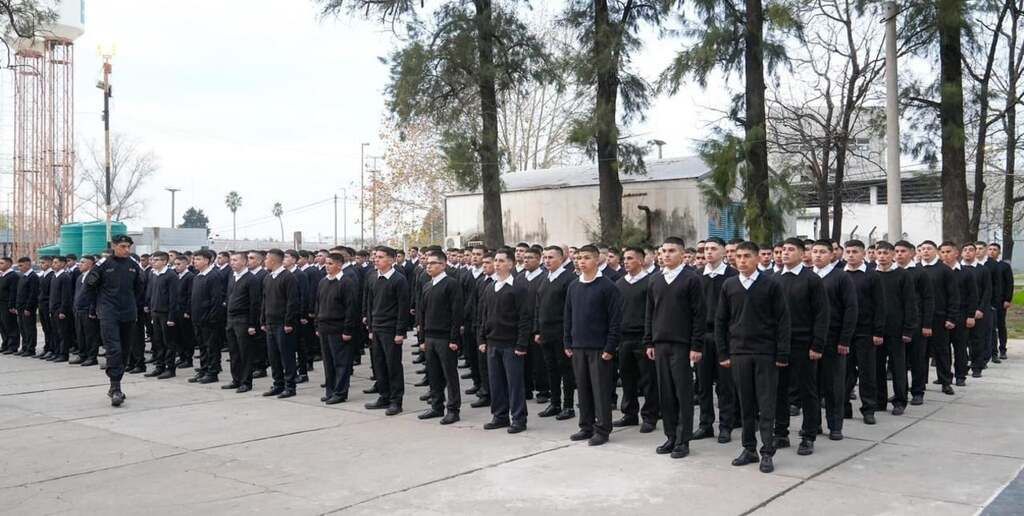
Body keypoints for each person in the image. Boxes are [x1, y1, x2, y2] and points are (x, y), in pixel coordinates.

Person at [716, 241, 790, 474]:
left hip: (766, 353)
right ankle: (749, 448)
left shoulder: (771, 285)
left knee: (766, 405)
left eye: (747, 256)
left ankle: (767, 451)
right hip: (739, 354)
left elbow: (783, 321)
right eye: (738, 256)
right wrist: (723, 352)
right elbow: (721, 321)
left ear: (758, 258)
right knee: (745, 404)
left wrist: (782, 353)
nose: (742, 260)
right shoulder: (729, 285)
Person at [645, 236, 705, 459]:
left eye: (671, 251)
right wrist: (649, 340)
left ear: (682, 254)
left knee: (683, 393)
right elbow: (649, 313)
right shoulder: (655, 280)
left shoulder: (692, 279)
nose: (666, 255)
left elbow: (699, 315)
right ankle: (670, 436)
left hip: (683, 345)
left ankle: (683, 439)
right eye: (663, 251)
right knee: (666, 392)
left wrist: (696, 345)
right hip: (660, 344)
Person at [563, 244, 623, 446]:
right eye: (579, 258)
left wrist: (610, 347)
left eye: (587, 258)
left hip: (599, 348)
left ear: (597, 260)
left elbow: (615, 320)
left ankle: (603, 428)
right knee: (583, 388)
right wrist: (568, 341)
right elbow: (568, 316)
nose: (582, 261)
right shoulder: (574, 286)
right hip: (578, 346)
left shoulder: (607, 286)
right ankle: (585, 426)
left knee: (600, 390)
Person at [773, 238, 827, 455]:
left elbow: (822, 315)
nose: (785, 253)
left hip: (804, 344)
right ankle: (780, 432)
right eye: (783, 249)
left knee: (808, 391)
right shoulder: (774, 279)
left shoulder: (811, 280)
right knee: (779, 390)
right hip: (779, 345)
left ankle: (808, 435)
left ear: (803, 253)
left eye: (791, 249)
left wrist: (817, 344)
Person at [85, 234, 145, 407]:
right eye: (123, 246)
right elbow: (89, 287)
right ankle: (115, 387)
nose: (127, 250)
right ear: (114, 246)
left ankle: (116, 383)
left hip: (128, 313)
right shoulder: (103, 265)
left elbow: (139, 288)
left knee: (125, 350)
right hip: (109, 313)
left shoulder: (134, 265)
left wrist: (132, 304)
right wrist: (96, 307)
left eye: (129, 247)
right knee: (114, 349)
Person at [478, 247, 532, 433]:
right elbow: (484, 316)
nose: (497, 264)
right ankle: (500, 416)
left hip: (511, 344)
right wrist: (482, 339)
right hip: (492, 343)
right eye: (496, 261)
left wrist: (522, 344)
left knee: (514, 383)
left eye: (501, 261)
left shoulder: (518, 288)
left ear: (511, 263)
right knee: (496, 382)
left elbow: (525, 318)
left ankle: (518, 418)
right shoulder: (489, 287)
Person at [810, 239, 857, 441]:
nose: (818, 255)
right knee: (811, 386)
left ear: (832, 255)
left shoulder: (840, 277)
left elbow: (851, 309)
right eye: (814, 251)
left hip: (834, 339)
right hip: (810, 340)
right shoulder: (806, 276)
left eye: (822, 252)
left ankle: (835, 425)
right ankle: (813, 424)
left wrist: (845, 339)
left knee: (833, 385)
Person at [695, 237, 738, 443]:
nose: (708, 252)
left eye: (714, 249)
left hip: (726, 337)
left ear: (724, 252)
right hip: (702, 337)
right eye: (706, 249)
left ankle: (726, 425)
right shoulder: (696, 277)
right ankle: (705, 424)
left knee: (725, 385)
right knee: (703, 385)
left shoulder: (732, 276)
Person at [415, 250, 464, 424]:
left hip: (445, 338)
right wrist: (421, 339)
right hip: (430, 336)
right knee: (434, 373)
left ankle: (453, 409)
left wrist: (454, 339)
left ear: (443, 265)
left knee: (449, 374)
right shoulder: (427, 285)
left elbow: (456, 313)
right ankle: (437, 406)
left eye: (433, 263)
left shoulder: (451, 284)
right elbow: (422, 313)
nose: (429, 266)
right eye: (427, 263)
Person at [613, 246, 658, 433]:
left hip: (642, 337)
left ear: (640, 261)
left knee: (648, 380)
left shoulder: (650, 282)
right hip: (624, 338)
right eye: (624, 258)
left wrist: (650, 339)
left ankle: (650, 416)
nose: (626, 261)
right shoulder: (620, 283)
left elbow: (653, 313)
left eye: (630, 258)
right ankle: (629, 413)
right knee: (627, 378)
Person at [363, 246, 411, 416]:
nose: (376, 259)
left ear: (391, 260)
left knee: (393, 365)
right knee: (379, 364)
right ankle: (384, 396)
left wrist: (400, 331)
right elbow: (369, 303)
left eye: (380, 257)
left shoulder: (399, 280)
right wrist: (370, 326)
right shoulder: (372, 277)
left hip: (391, 329)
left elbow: (403, 308)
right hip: (376, 327)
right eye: (375, 256)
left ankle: (396, 401)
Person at [841, 240, 885, 425]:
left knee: (867, 372)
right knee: (845, 372)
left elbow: (880, 305)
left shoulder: (872, 276)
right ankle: (844, 407)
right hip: (844, 333)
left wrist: (878, 331)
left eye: (855, 252)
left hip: (865, 332)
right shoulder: (840, 275)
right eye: (848, 251)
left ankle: (868, 409)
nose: (850, 255)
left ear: (864, 253)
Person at [873, 242, 917, 416]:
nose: (882, 256)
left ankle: (900, 400)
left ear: (892, 255)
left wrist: (908, 329)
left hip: (897, 330)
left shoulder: (902, 275)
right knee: (877, 367)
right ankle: (879, 400)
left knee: (898, 366)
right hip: (876, 329)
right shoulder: (872, 275)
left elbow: (910, 303)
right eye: (879, 253)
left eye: (886, 253)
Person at [536, 245, 576, 421]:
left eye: (551, 257)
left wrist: (569, 334)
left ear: (561, 258)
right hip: (546, 332)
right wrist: (537, 330)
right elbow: (538, 306)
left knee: (565, 369)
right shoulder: (545, 278)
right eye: (545, 257)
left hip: (561, 331)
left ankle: (568, 406)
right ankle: (555, 403)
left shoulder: (568, 278)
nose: (547, 261)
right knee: (550, 369)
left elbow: (571, 309)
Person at [316, 252, 360, 404]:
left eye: (331, 264)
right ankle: (330, 390)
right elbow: (318, 304)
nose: (327, 267)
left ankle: (340, 392)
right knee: (328, 362)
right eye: (326, 264)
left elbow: (351, 308)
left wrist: (348, 330)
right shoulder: (323, 282)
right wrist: (317, 325)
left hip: (339, 328)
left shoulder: (346, 282)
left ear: (339, 265)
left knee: (341, 362)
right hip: (324, 328)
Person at [894, 241, 934, 406]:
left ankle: (918, 391)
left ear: (912, 253)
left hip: (916, 324)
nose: (899, 254)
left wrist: (927, 324)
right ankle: (901, 392)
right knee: (899, 362)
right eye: (896, 251)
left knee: (917, 359)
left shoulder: (920, 273)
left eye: (903, 251)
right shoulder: (891, 272)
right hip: (896, 325)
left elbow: (928, 299)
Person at [918, 241, 959, 396]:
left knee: (942, 351)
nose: (926, 252)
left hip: (939, 317)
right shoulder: (916, 269)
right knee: (920, 352)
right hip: (920, 318)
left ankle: (945, 381)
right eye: (922, 249)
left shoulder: (944, 270)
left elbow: (953, 295)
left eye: (929, 249)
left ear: (936, 251)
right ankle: (920, 382)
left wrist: (951, 317)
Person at [261, 248, 302, 399]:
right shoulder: (268, 277)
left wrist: (289, 322)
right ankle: (277, 384)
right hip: (270, 322)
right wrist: (263, 320)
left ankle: (290, 386)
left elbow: (293, 301)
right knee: (273, 356)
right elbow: (264, 301)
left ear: (273, 260)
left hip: (283, 324)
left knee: (287, 356)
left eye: (266, 259)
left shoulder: (288, 277)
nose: (265, 261)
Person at [224, 251, 262, 393]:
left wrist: (252, 324)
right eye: (231, 260)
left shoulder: (251, 279)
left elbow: (255, 303)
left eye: (235, 260)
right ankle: (236, 379)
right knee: (234, 352)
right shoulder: (232, 276)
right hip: (231, 319)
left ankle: (246, 382)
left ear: (244, 262)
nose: (232, 262)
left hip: (244, 320)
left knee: (245, 352)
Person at [939, 242, 976, 388]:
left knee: (960, 347)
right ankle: (945, 376)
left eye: (948, 251)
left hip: (961, 315)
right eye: (942, 252)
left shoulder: (965, 273)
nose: (945, 255)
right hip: (942, 315)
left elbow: (973, 295)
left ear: (956, 253)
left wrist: (971, 315)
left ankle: (961, 375)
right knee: (943, 349)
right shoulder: (938, 271)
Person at [189, 250, 226, 384]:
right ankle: (204, 369)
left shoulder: (214, 276)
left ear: (207, 260)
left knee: (212, 347)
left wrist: (212, 318)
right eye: (194, 259)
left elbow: (216, 300)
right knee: (202, 347)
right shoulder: (198, 276)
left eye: (198, 259)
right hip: (198, 318)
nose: (195, 262)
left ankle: (213, 372)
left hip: (210, 320)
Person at [515, 246, 547, 402]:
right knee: (523, 360)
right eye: (525, 258)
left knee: (539, 360)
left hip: (537, 325)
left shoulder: (544, 277)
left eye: (530, 258)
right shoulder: (520, 277)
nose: (526, 260)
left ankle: (543, 390)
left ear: (539, 259)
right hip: (522, 325)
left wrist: (538, 328)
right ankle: (526, 389)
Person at [961, 243, 992, 378]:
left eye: (971, 250)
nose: (968, 252)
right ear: (961, 253)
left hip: (978, 311)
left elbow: (987, 291)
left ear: (975, 253)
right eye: (965, 250)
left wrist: (980, 309)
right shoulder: (957, 269)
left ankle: (977, 366)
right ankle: (962, 367)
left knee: (977, 339)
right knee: (961, 341)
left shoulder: (983, 270)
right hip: (961, 311)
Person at [143, 252, 176, 378]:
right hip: (155, 312)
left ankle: (170, 368)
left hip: (166, 313)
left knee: (169, 342)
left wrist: (172, 317)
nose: (153, 262)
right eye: (153, 259)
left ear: (164, 261)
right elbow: (150, 292)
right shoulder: (153, 273)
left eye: (156, 260)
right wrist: (149, 307)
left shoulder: (170, 275)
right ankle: (159, 366)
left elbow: (174, 297)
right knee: (158, 341)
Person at [71, 256, 100, 367]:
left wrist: (93, 310)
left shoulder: (93, 276)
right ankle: (82, 354)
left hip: (88, 310)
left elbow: (95, 294)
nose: (80, 264)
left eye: (83, 262)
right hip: (79, 310)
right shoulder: (80, 277)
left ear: (90, 264)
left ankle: (92, 357)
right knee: (80, 334)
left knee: (91, 335)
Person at [987, 243, 1012, 361]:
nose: (991, 251)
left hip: (1000, 301)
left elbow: (1009, 283)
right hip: (988, 300)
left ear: (999, 252)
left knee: (1000, 325)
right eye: (990, 249)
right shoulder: (984, 265)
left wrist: (1007, 299)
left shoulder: (1004, 266)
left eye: (994, 250)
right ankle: (990, 351)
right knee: (989, 327)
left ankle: (1002, 349)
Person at [49, 255, 73, 363]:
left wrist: (63, 310)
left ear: (63, 264)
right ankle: (57, 352)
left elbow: (66, 296)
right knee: (55, 332)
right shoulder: (54, 276)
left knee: (62, 333)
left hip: (60, 310)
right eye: (53, 263)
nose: (53, 265)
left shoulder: (65, 277)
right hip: (53, 309)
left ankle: (63, 354)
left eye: (56, 262)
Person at [15, 257, 39, 358]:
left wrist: (28, 308)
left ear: (28, 264)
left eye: (21, 265)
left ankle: (30, 348)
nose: (19, 268)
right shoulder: (23, 276)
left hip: (27, 308)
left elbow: (33, 294)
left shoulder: (33, 277)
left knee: (29, 329)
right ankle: (24, 347)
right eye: (18, 265)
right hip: (20, 307)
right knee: (23, 328)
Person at [0, 257, 20, 354]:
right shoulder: (2, 275)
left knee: (10, 325)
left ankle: (13, 346)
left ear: (9, 264)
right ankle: (5, 344)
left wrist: (12, 305)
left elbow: (13, 291)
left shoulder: (13, 276)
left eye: (2, 263)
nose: (0, 265)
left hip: (8, 305)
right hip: (1, 304)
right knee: (2, 326)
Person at [36, 257, 55, 359]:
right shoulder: (42, 275)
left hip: (48, 305)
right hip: (42, 305)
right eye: (40, 262)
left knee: (50, 328)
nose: (41, 264)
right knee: (45, 328)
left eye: (43, 262)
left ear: (49, 263)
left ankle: (52, 349)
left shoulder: (51, 275)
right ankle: (47, 347)